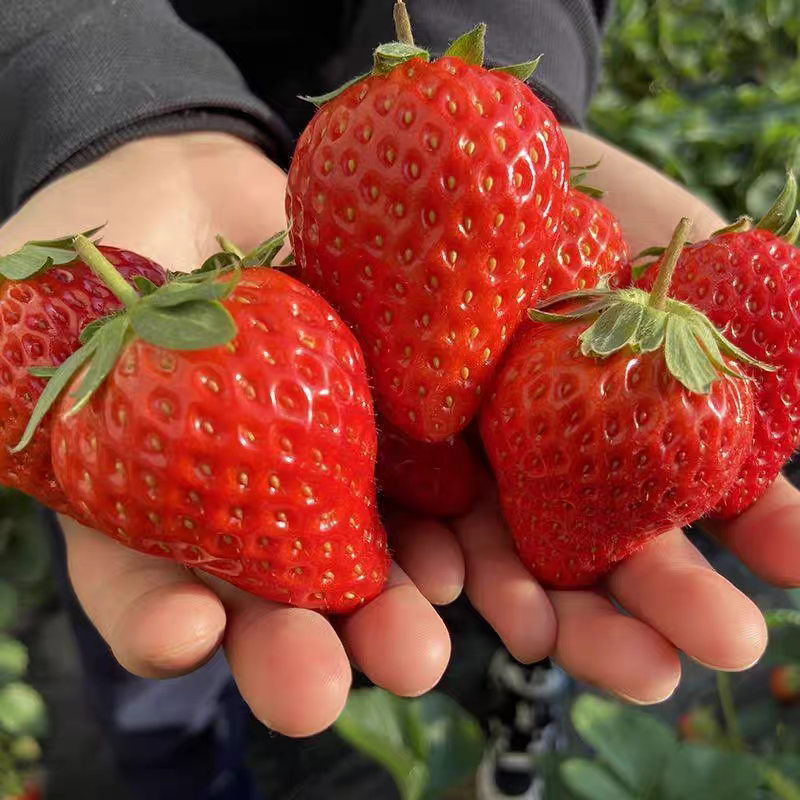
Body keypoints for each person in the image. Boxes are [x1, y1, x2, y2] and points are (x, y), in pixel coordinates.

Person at [0, 1, 797, 797]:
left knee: (182, 597)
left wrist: (504, 65)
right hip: (153, 131)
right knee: (166, 647)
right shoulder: (121, 400)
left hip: (330, 178)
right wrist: (96, 92)